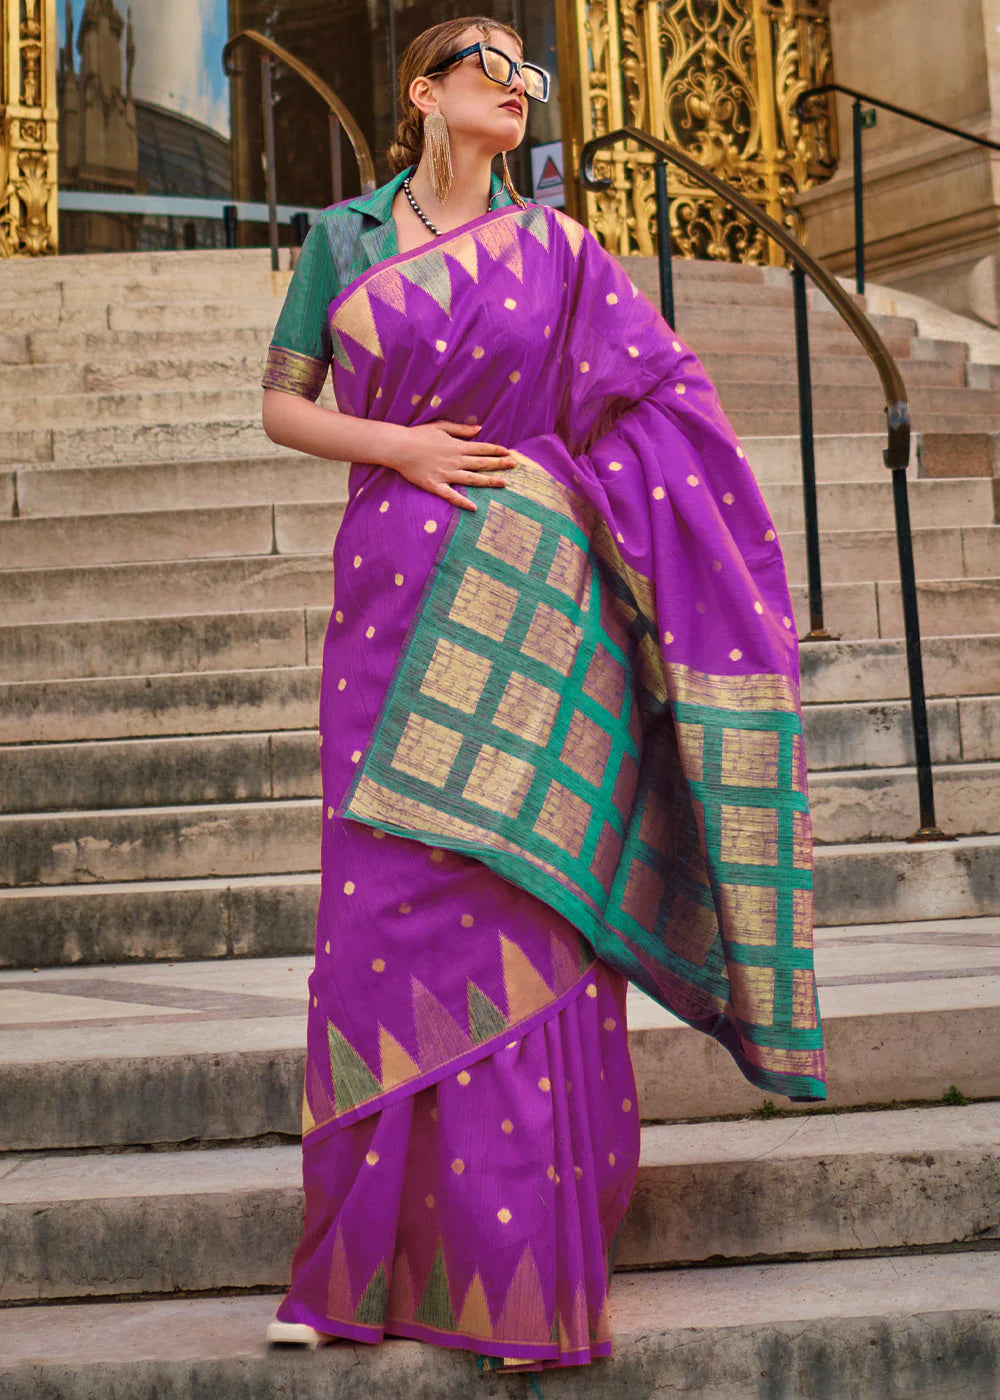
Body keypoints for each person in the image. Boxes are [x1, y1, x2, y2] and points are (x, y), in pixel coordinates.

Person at [259, 13, 827, 1377]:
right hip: (391, 606)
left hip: (537, 608)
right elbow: (282, 404)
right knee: (386, 913)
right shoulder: (341, 238)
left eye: (530, 72)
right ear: (422, 94)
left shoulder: (565, 253)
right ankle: (355, 1261)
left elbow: (665, 405)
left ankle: (522, 1280)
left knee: (529, 920)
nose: (516, 87)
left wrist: (564, 483)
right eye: (486, 68)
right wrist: (396, 441)